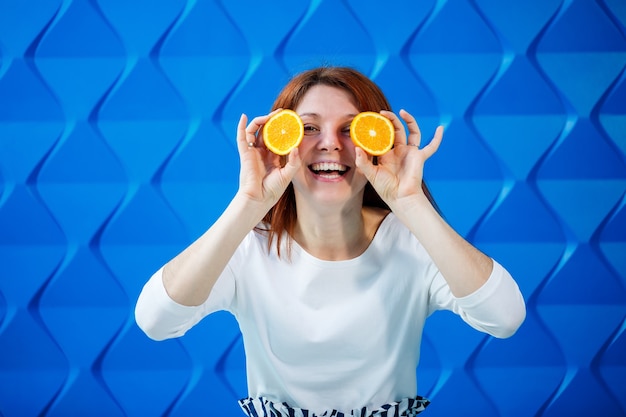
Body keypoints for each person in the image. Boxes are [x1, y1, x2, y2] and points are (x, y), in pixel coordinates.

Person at [135, 66, 526, 417]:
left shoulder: (413, 243)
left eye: (350, 129)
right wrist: (248, 203)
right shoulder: (248, 247)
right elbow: (156, 321)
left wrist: (410, 203)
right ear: (280, 142)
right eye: (308, 128)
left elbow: (505, 318)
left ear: (378, 142)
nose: (330, 144)